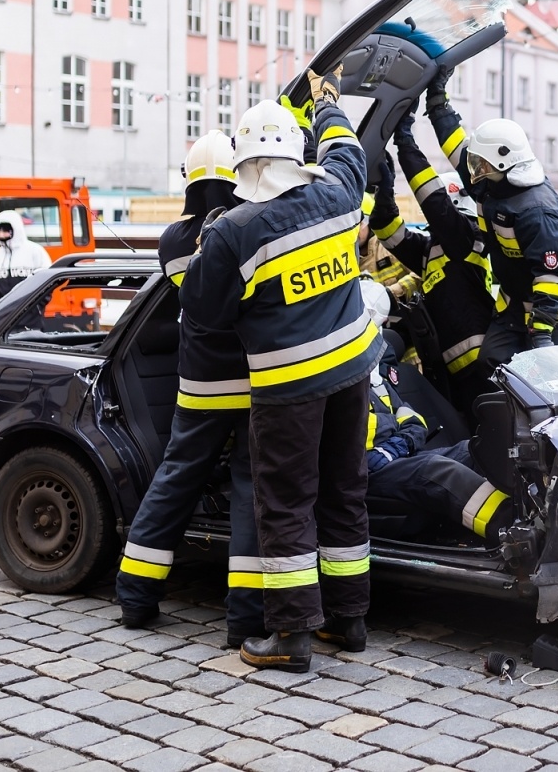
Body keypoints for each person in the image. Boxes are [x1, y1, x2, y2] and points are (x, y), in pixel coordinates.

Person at [182, 73, 375, 674]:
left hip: (288, 384)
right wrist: (325, 103)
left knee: (287, 502)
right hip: (353, 369)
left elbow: (204, 314)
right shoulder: (339, 192)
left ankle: (290, 635)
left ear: (242, 162)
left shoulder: (234, 232)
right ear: (297, 152)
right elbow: (347, 148)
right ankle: (349, 621)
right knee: (345, 490)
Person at [116, 133, 266, 646]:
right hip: (249, 383)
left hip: (199, 383)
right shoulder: (249, 227)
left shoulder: (171, 242)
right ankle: (244, 619)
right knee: (250, 489)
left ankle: (135, 595)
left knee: (174, 481)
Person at [425, 71, 558, 369]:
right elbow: (457, 149)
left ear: (500, 161)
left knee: (545, 382)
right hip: (514, 305)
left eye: (479, 163)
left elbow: (553, 278)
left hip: (554, 314)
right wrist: (438, 104)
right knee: (493, 364)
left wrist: (541, 334)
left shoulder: (538, 211)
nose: (472, 168)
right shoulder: (490, 179)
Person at [358, 281, 516, 541]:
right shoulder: (332, 386)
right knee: (439, 470)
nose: (378, 338)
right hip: (366, 472)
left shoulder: (377, 379)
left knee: (475, 449)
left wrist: (397, 446)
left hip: (396, 458)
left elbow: (413, 421)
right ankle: (510, 533)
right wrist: (369, 458)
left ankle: (533, 512)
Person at [368, 108, 496, 419]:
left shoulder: (468, 237)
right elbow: (389, 231)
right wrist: (386, 190)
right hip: (448, 370)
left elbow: (433, 201)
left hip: (479, 369)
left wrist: (406, 143)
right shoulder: (433, 250)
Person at [0, 210, 52, 311]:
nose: (1, 234)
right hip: (0, 319)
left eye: (5, 230)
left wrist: (37, 307)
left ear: (16, 228)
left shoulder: (36, 251)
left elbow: (47, 283)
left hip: (30, 317)